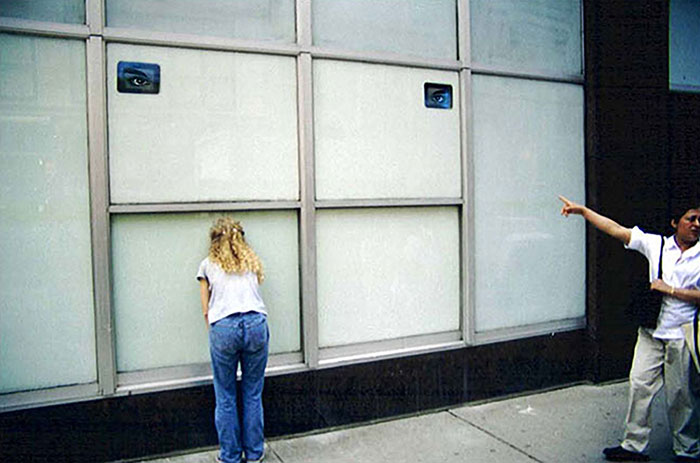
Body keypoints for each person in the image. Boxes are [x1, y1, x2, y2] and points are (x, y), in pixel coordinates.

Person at [559, 196, 700, 462]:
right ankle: (634, 446)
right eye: (690, 218)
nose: (696, 225)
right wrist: (583, 211)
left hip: (682, 333)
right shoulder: (656, 245)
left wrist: (671, 290)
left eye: (699, 220)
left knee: (681, 395)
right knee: (639, 384)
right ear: (675, 222)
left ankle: (687, 450)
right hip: (651, 331)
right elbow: (615, 229)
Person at [197, 217, 268, 463]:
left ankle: (230, 456)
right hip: (256, 323)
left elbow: (206, 309)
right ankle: (255, 453)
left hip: (224, 327)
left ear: (215, 240)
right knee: (252, 392)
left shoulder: (207, 265)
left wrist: (216, 332)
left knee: (225, 394)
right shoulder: (250, 262)